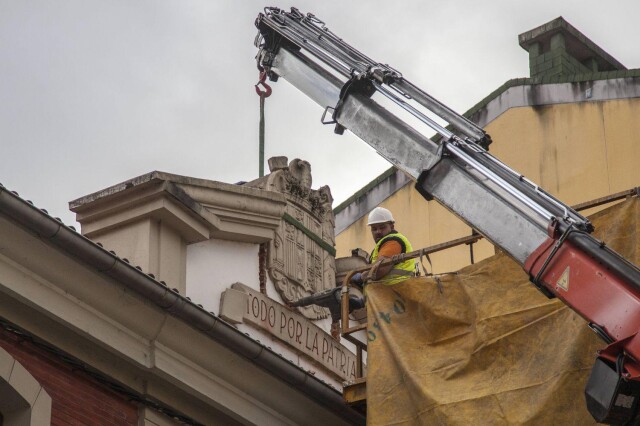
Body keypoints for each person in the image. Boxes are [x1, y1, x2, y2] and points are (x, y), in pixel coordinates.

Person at [351, 207, 415, 287]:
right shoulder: (383, 244)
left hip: (395, 291)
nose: (378, 231)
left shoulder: (393, 242)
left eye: (382, 227)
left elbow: (380, 269)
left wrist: (360, 277)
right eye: (374, 229)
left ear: (392, 227)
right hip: (390, 292)